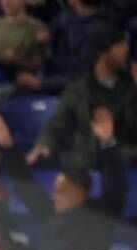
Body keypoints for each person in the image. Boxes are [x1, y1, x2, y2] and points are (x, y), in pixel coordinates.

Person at [0, 110, 128, 250]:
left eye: (61, 191)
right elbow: (27, 188)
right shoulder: (50, 213)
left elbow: (117, 186)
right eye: (54, 190)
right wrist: (7, 146)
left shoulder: (99, 218)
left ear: (79, 192)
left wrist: (108, 144)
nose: (54, 196)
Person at [28, 24, 137, 172]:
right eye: (120, 46)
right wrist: (44, 144)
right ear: (104, 52)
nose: (126, 50)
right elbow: (56, 123)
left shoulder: (131, 87)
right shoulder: (78, 89)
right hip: (83, 160)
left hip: (123, 160)